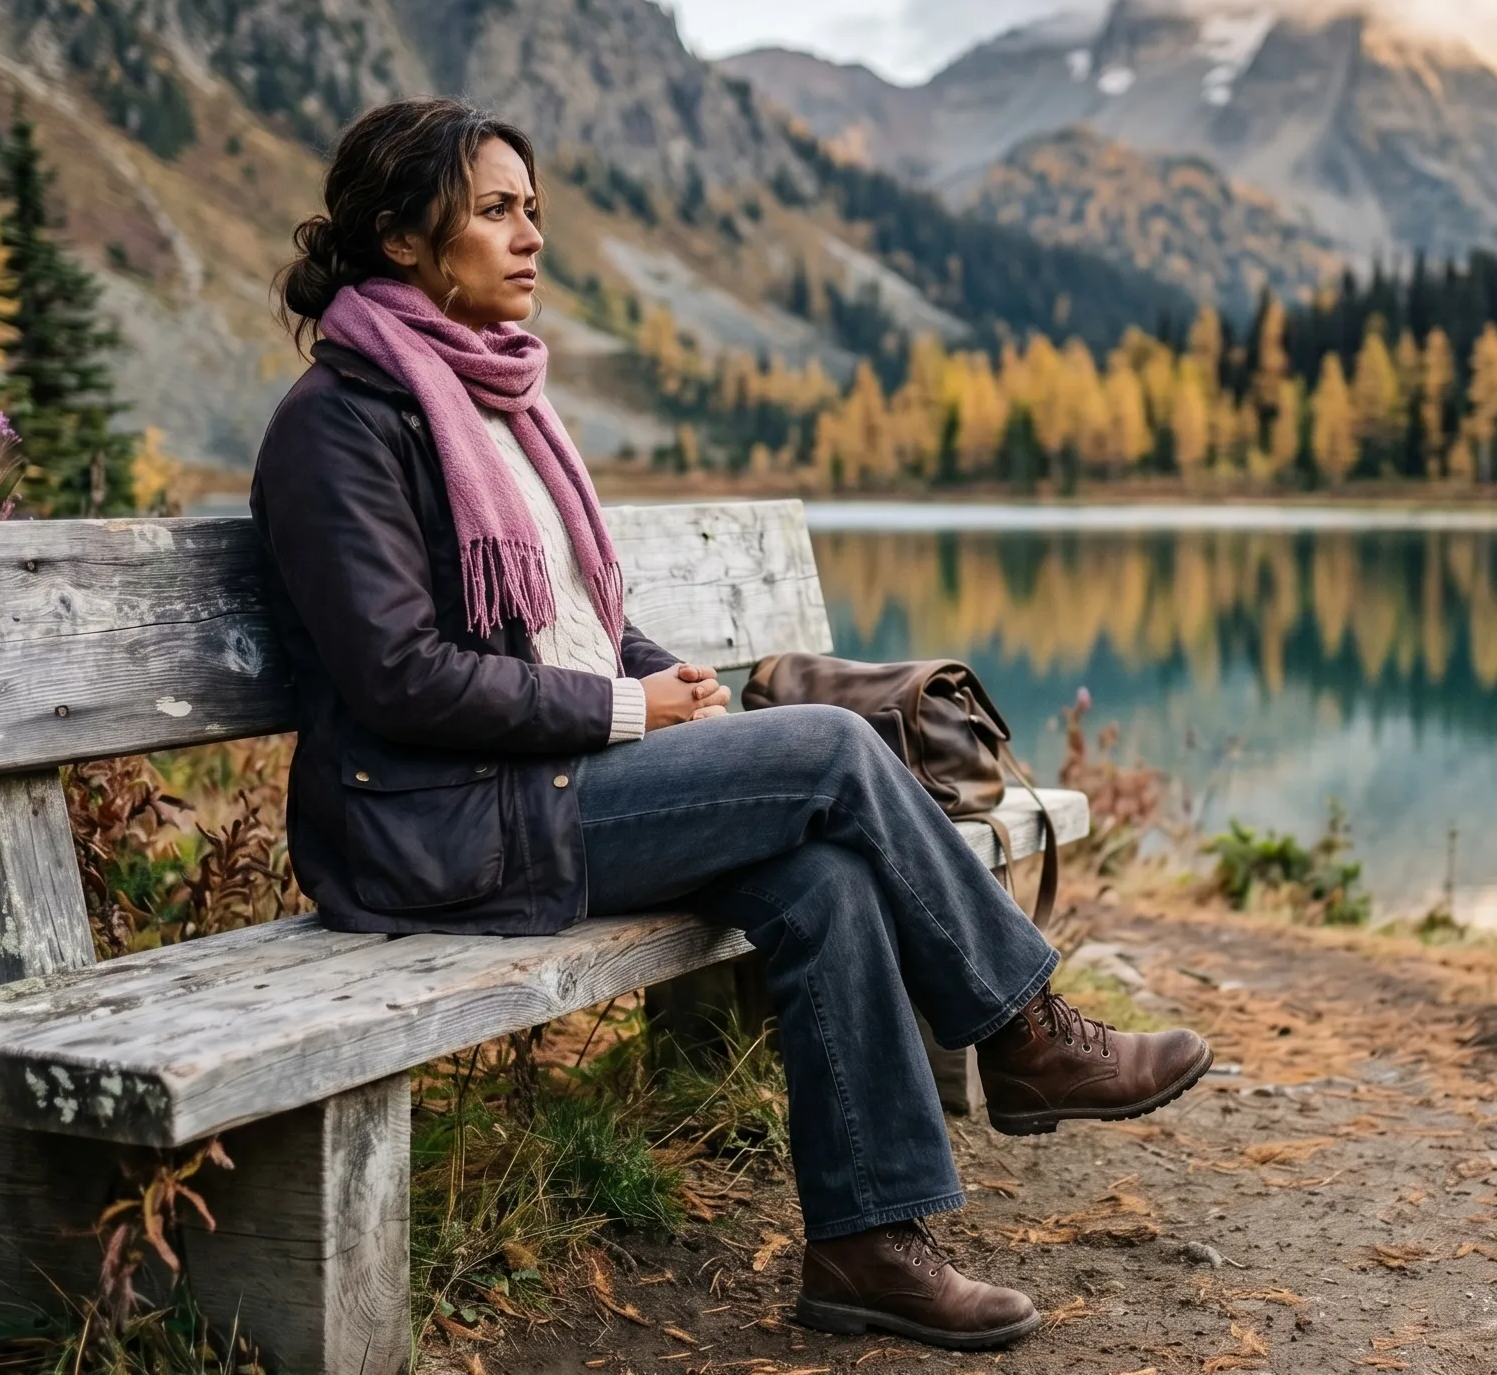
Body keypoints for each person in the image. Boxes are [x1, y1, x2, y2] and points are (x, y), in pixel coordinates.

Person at [249, 97, 1211, 1352]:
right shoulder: (336, 427)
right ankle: (1026, 1032)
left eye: (533, 209)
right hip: (426, 826)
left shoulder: (491, 407)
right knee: (825, 747)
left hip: (530, 792)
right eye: (495, 210)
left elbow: (578, 623)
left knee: (818, 877)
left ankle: (866, 1246)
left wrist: (667, 680)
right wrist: (621, 706)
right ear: (399, 239)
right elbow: (400, 678)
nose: (531, 235)